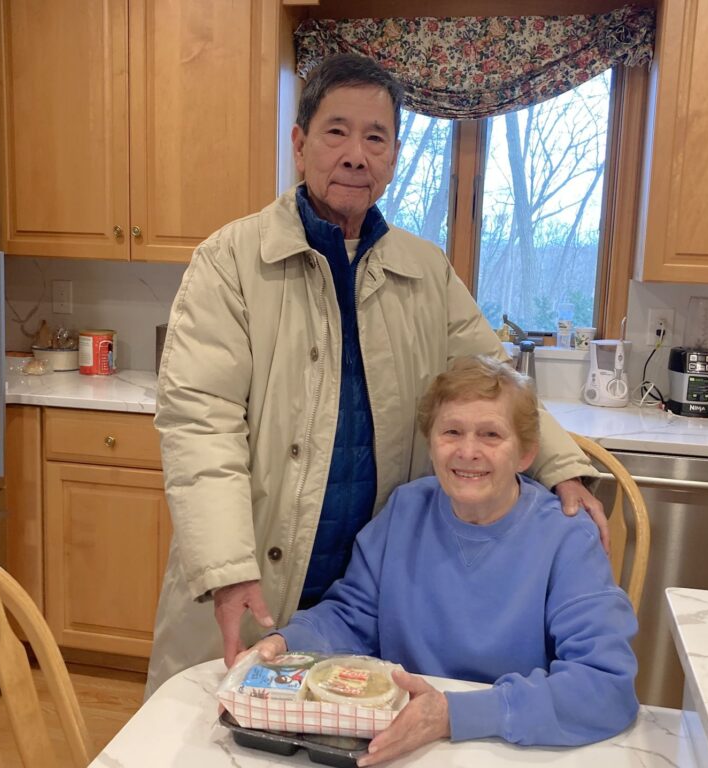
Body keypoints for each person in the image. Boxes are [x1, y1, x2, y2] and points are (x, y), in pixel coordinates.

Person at [148, 52, 606, 696]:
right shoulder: (229, 263)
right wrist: (227, 567)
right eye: (336, 132)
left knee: (357, 732)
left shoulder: (424, 268)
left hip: (374, 579)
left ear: (393, 155)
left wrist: (558, 463)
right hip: (261, 571)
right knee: (235, 732)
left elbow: (492, 376)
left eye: (376, 137)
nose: (356, 154)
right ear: (301, 144)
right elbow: (201, 425)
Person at [241, 356, 639, 765]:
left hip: (511, 746)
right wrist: (287, 642)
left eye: (490, 435)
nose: (468, 451)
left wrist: (452, 714)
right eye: (451, 432)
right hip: (405, 741)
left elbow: (605, 686)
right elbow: (353, 616)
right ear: (430, 444)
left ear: (525, 454)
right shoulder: (406, 510)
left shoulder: (567, 538)